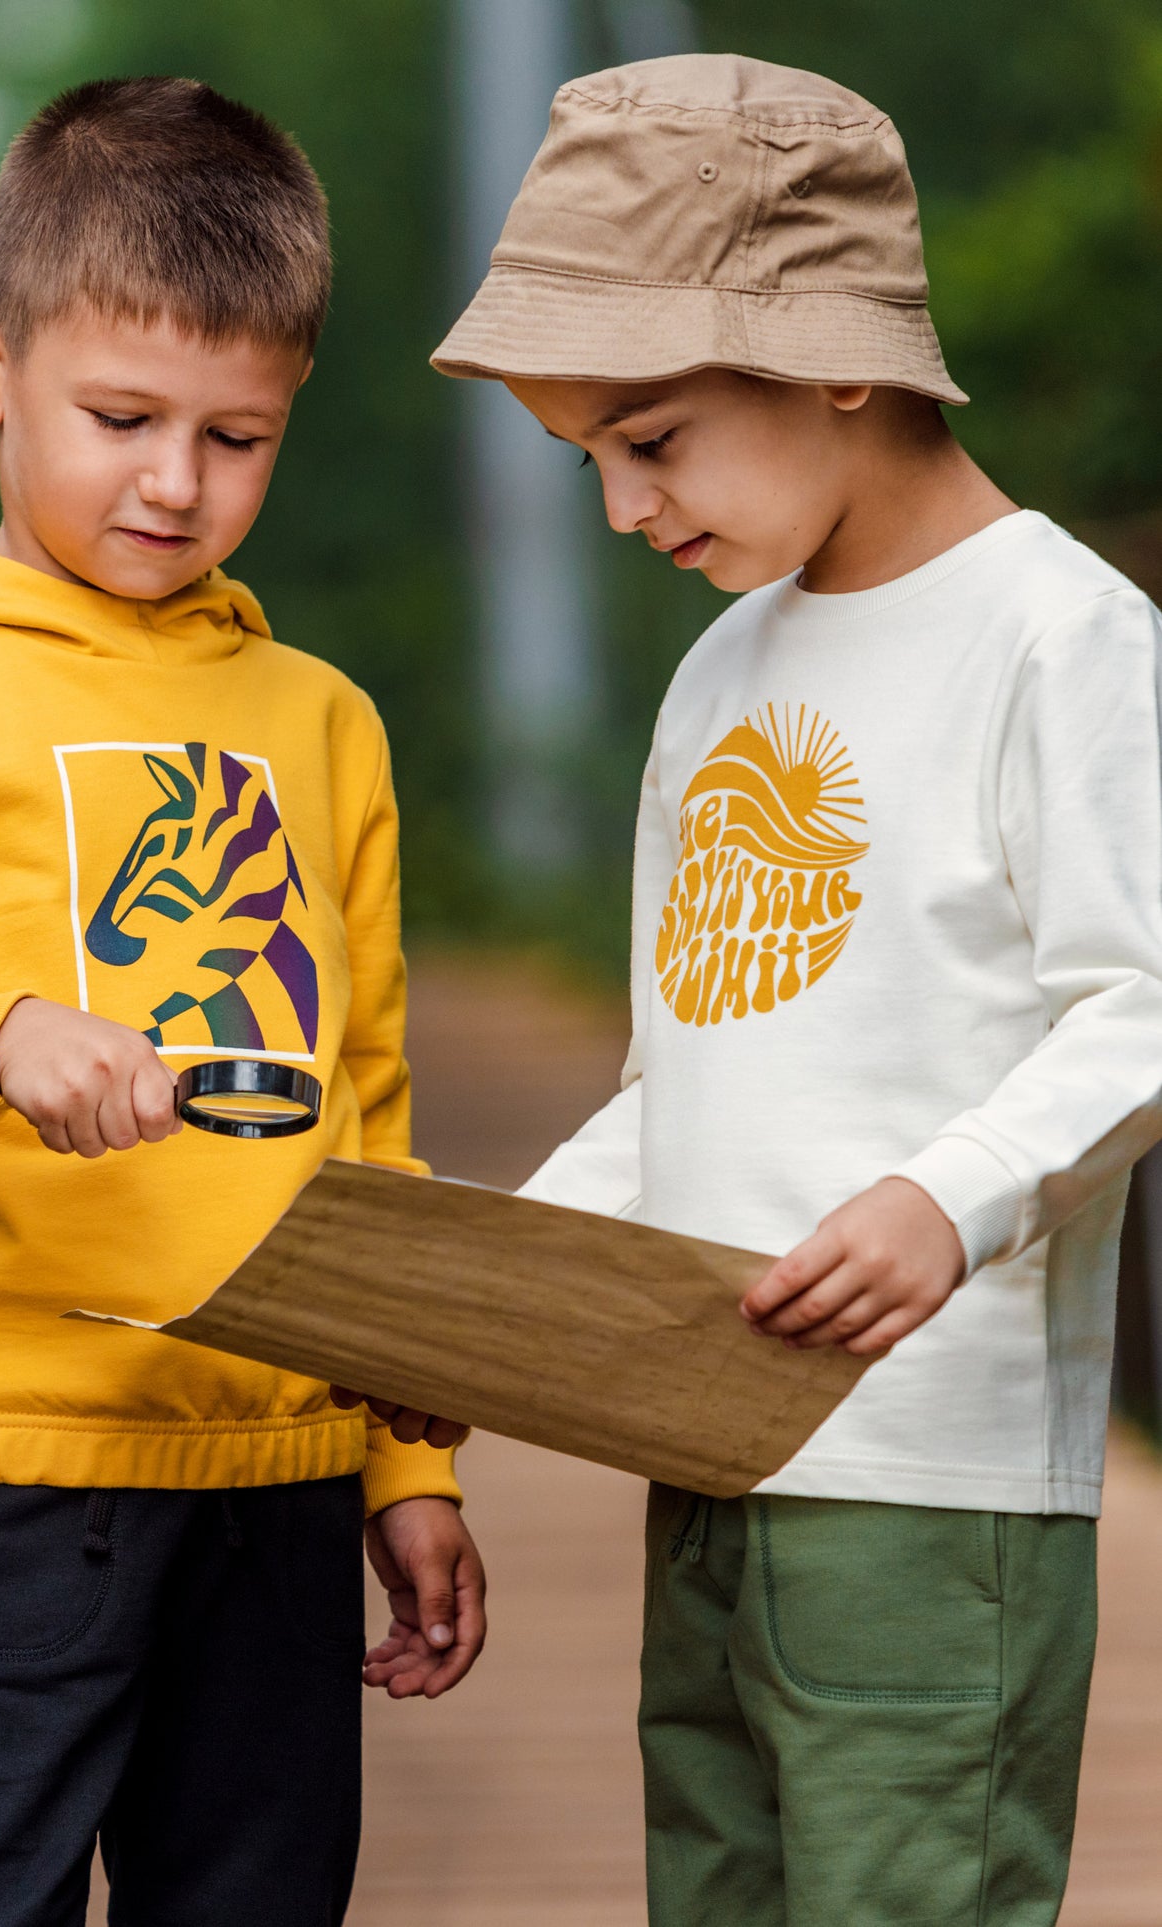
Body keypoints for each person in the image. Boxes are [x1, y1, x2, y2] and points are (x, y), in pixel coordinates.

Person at [0, 76, 482, 1927]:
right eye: (121, 418)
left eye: (238, 437)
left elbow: (365, 1103)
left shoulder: (320, 722)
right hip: (12, 1462)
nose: (174, 483)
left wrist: (407, 1454)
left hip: (285, 1468)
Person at [417, 52, 1162, 1924]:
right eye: (583, 456)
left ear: (837, 354)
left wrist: (944, 1197)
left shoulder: (1058, 637)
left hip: (931, 1481)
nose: (617, 509)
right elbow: (696, 1077)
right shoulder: (720, 673)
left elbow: (1141, 1001)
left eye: (650, 439)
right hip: (703, 1446)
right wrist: (477, 1298)